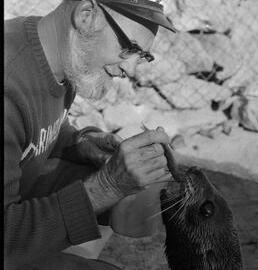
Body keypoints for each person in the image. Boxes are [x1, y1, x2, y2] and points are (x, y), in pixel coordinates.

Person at [4, 0, 176, 269]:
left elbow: (35, 136)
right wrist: (107, 185)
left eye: (143, 55)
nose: (130, 70)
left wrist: (79, 142)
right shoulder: (9, 83)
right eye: (128, 48)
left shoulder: (58, 54)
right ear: (86, 15)